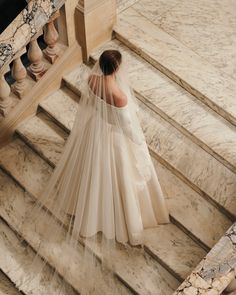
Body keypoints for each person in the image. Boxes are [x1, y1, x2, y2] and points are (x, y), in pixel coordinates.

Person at [16, 49, 170, 293]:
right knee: (117, 179)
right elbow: (127, 127)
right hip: (114, 140)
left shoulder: (91, 79)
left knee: (92, 174)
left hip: (94, 132)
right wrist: (140, 145)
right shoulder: (119, 96)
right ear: (117, 69)